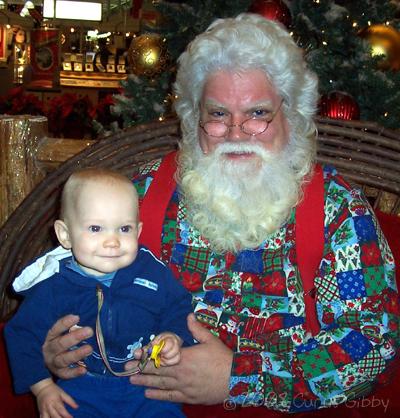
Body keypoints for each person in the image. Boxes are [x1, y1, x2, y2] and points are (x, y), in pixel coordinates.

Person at [14, 13, 400, 415]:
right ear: (194, 117)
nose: (236, 133)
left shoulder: (335, 210)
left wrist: (241, 377)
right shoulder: (139, 197)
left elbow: (373, 345)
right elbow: (67, 288)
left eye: (257, 114)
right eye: (217, 114)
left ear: (292, 114)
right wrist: (53, 352)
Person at [5, 168, 193, 418]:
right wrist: (43, 388)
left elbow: (179, 306)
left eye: (124, 229)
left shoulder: (153, 272)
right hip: (81, 387)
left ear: (137, 232)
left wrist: (173, 335)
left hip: (146, 385)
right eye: (95, 228)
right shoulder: (53, 286)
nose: (112, 241)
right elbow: (22, 333)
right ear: (65, 234)